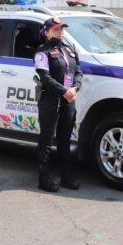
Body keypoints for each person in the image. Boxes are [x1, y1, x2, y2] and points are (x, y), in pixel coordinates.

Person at [34, 17, 83, 192]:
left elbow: (78, 72)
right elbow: (45, 78)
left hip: (68, 99)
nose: (60, 32)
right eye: (55, 30)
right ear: (46, 32)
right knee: (47, 139)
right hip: (50, 99)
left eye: (61, 29)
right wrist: (64, 91)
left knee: (65, 139)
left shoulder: (69, 49)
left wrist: (75, 88)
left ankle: (66, 176)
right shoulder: (42, 52)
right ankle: (43, 178)